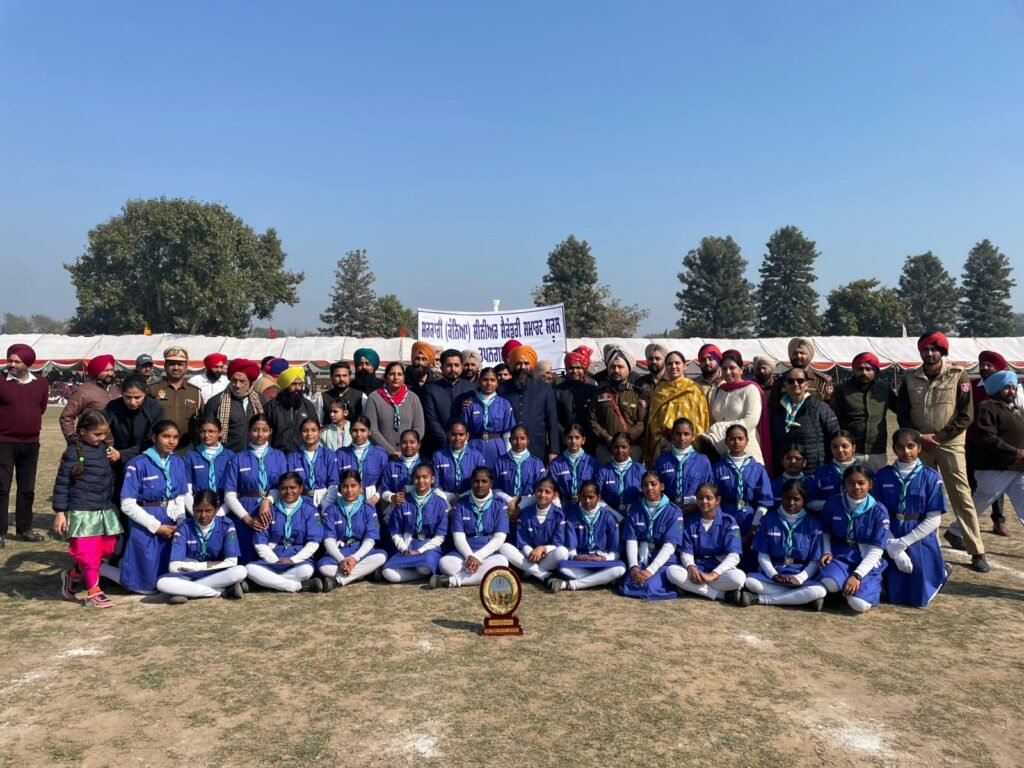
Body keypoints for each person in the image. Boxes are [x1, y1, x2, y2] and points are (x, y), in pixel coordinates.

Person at [896, 330, 989, 573]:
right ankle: (924, 547)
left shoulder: (959, 375)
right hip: (919, 445)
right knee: (921, 498)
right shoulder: (909, 377)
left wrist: (939, 437)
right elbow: (903, 412)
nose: (929, 353)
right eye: (925, 349)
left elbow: (966, 414)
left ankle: (977, 551)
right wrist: (918, 437)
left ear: (942, 351)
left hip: (949, 444)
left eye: (934, 349)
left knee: (961, 497)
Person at [105, 420, 189, 594]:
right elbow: (127, 505)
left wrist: (180, 521)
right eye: (166, 436)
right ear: (154, 437)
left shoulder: (178, 462)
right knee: (145, 588)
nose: (171, 441)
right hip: (145, 524)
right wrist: (156, 527)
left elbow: (181, 496)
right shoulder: (138, 464)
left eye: (175, 437)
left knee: (167, 581)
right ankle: (98, 568)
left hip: (171, 522)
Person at [52, 410, 122, 608]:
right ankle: (93, 592)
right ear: (82, 431)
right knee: (88, 553)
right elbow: (62, 483)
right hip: (82, 511)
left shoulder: (103, 449)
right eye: (97, 434)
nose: (102, 438)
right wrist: (60, 512)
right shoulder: (73, 453)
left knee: (106, 548)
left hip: (103, 509)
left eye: (104, 434)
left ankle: (73, 575)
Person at [872, 429, 950, 607]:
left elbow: (934, 519)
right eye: (900, 447)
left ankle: (939, 571)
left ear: (919, 448)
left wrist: (904, 543)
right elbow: (878, 514)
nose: (906, 452)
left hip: (918, 535)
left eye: (911, 446)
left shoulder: (931, 477)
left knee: (918, 598)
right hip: (889, 532)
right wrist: (893, 546)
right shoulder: (883, 475)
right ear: (894, 448)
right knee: (893, 596)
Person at [740, 478, 827, 610]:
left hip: (800, 573)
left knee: (820, 590)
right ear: (781, 498)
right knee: (750, 582)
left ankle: (761, 599)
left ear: (804, 501)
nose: (791, 503)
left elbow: (814, 561)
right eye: (787, 498)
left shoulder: (813, 524)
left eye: (796, 499)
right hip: (775, 572)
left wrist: (800, 578)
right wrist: (773, 575)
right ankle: (801, 599)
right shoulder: (768, 520)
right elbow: (762, 555)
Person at [818, 465, 889, 613]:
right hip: (840, 555)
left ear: (870, 484)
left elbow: (876, 549)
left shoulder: (878, 510)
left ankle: (868, 586)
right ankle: (842, 588)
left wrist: (857, 575)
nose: (856, 487)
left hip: (865, 557)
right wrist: (826, 551)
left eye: (861, 483)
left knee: (859, 604)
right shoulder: (833, 503)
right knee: (829, 584)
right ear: (844, 484)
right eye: (850, 482)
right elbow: (826, 532)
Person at [156, 490, 248, 603]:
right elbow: (174, 567)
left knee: (241, 571)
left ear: (217, 509)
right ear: (193, 509)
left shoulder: (227, 525)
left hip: (215, 573)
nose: (203, 515)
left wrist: (196, 566)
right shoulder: (184, 527)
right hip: (189, 574)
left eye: (208, 511)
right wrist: (204, 565)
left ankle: (184, 591)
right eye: (198, 511)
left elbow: (232, 562)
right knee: (162, 583)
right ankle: (222, 591)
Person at [967, 351, 1023, 536]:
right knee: (982, 497)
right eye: (1006, 388)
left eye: (1013, 388)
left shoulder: (1013, 406)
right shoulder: (984, 402)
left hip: (1014, 463)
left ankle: (997, 521)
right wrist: (1016, 451)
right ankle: (958, 530)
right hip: (989, 459)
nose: (1011, 391)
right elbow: (987, 436)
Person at [0, 343, 49, 544]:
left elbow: (42, 407)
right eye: (9, 360)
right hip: (3, 442)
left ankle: (24, 529)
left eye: (16, 361)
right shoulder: (1, 381)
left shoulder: (41, 384)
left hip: (30, 442)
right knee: (1, 487)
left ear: (27, 363)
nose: (11, 364)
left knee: (27, 488)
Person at [431, 467, 510, 589]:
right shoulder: (461, 504)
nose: (480, 485)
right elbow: (458, 537)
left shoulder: (500, 504)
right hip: (464, 552)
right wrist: (469, 557)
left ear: (491, 483)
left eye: (484, 481)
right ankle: (481, 575)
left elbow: (499, 537)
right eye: (476, 481)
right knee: (445, 563)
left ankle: (450, 581)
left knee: (502, 562)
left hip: (488, 552)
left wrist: (479, 556)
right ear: (471, 483)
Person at [222, 414, 287, 563]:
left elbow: (282, 487)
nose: (260, 434)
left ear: (270, 431)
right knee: (246, 552)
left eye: (264, 430)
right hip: (245, 510)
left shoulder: (279, 456)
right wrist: (247, 519)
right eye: (255, 430)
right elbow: (229, 495)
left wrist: (267, 501)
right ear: (249, 431)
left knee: (269, 549)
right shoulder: (237, 459)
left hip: (272, 509)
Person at [246, 472, 325, 593]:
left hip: (298, 558)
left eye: (293, 487)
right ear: (279, 490)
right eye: (284, 488)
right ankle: (297, 586)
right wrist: (275, 561)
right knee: (249, 569)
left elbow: (313, 543)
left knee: (307, 570)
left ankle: (262, 584)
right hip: (273, 557)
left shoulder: (309, 510)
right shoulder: (268, 511)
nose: (288, 492)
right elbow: (260, 543)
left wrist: (293, 560)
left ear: (301, 488)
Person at [666, 482, 746, 602]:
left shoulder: (728, 521)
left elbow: (734, 555)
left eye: (709, 498)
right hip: (698, 568)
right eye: (700, 498)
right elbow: (686, 552)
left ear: (717, 500)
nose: (704, 501)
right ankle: (722, 595)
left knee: (739, 578)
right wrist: (691, 567)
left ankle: (691, 588)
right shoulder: (689, 522)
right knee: (672, 572)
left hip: (718, 570)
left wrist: (713, 574)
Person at [550, 480, 627, 592]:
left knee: (620, 568)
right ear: (579, 497)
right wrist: (576, 557)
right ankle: (604, 579)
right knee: (562, 567)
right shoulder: (572, 517)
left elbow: (615, 553)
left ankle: (571, 585)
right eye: (583, 497)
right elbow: (571, 550)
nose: (587, 501)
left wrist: (604, 558)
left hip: (602, 562)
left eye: (591, 497)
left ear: (599, 497)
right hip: (581, 562)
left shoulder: (609, 518)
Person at [712, 424, 773, 563]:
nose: (736, 442)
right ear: (726, 441)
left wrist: (753, 528)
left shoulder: (757, 468)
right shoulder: (717, 468)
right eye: (732, 439)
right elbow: (712, 498)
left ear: (747, 441)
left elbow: (765, 501)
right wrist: (720, 521)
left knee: (749, 557)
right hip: (725, 514)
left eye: (740, 438)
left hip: (749, 516)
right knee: (726, 553)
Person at [619, 471, 684, 600]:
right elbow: (631, 540)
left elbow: (670, 546)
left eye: (653, 484)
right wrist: (634, 567)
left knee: (649, 586)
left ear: (662, 486)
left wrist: (650, 571)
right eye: (645, 485)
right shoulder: (635, 509)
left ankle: (675, 587)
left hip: (663, 560)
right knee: (628, 584)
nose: (649, 488)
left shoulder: (674, 511)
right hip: (643, 557)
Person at [317, 469, 387, 589]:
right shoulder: (332, 509)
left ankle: (339, 580)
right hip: (340, 552)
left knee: (381, 556)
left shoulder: (368, 509)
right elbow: (329, 539)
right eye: (345, 486)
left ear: (361, 487)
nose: (349, 490)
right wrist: (341, 560)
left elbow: (370, 539)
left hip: (360, 551)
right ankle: (362, 573)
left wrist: (355, 558)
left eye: (353, 486)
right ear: (340, 489)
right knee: (323, 567)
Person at [381, 463, 450, 583]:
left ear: (432, 479)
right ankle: (419, 575)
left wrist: (420, 551)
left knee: (424, 568)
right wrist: (403, 549)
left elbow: (440, 536)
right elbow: (395, 531)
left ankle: (422, 573)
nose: (421, 481)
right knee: (387, 572)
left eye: (425, 477)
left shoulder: (440, 503)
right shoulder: (403, 502)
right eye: (417, 477)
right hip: (408, 545)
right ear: (413, 479)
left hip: (429, 547)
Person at [700, 349, 770, 466]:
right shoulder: (718, 391)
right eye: (724, 368)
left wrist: (721, 429)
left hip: (745, 449)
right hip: (720, 452)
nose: (727, 372)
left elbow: (751, 421)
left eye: (732, 368)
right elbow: (712, 420)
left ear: (741, 369)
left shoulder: (750, 389)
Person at [768, 367, 839, 475]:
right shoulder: (777, 410)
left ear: (807, 384)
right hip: (784, 471)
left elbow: (834, 437)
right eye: (791, 381)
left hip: (814, 470)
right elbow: (772, 441)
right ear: (785, 385)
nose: (795, 384)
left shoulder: (820, 408)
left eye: (800, 381)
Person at [833, 352, 897, 471]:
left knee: (877, 486)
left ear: (876, 370)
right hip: (851, 451)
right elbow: (833, 420)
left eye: (868, 369)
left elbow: (901, 410)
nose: (864, 373)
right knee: (852, 487)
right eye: (860, 369)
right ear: (854, 370)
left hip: (877, 450)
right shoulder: (842, 391)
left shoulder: (884, 390)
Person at [644, 350, 708, 466]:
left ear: (685, 366)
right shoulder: (660, 391)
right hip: (665, 447)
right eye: (669, 364)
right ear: (665, 367)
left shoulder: (694, 390)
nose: (673, 366)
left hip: (690, 447)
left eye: (677, 363)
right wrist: (665, 441)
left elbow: (701, 421)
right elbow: (653, 423)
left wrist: (690, 442)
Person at [500, 476, 570, 583]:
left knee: (563, 552)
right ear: (535, 492)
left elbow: (558, 543)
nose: (542, 495)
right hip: (528, 555)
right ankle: (544, 575)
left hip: (546, 556)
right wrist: (531, 554)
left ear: (554, 495)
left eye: (547, 492)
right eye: (539, 491)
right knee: (504, 547)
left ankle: (528, 571)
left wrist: (543, 548)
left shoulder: (559, 515)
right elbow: (522, 542)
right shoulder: (525, 513)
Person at [498, 344, 560, 462]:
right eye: (518, 363)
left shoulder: (544, 388)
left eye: (526, 364)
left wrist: (553, 451)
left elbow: (552, 422)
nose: (522, 367)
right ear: (512, 365)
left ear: (532, 365)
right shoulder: (502, 389)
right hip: (508, 448)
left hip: (537, 448)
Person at [588, 345, 647, 463]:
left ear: (628, 369)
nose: (616, 370)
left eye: (620, 367)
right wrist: (608, 438)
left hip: (632, 450)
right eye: (612, 367)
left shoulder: (637, 394)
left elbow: (642, 422)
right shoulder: (599, 394)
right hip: (606, 450)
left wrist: (625, 440)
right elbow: (592, 420)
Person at [456, 367, 515, 470]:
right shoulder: (470, 404)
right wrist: (464, 452)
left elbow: (507, 433)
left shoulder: (504, 404)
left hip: (496, 447)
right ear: (479, 382)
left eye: (492, 380)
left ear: (497, 383)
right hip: (475, 446)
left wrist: (509, 453)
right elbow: (463, 431)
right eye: (485, 380)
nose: (489, 383)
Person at [104, 373, 164, 473]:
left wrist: (122, 454)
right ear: (122, 393)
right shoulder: (113, 407)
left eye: (137, 397)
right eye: (128, 397)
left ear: (145, 393)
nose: (132, 402)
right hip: (118, 463)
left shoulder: (154, 408)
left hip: (147, 460)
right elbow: (98, 425)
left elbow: (154, 440)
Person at [203, 358, 266, 452]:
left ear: (250, 382)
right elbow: (206, 431)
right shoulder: (216, 402)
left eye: (242, 381)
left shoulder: (260, 400)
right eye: (234, 380)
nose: (237, 385)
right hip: (226, 454)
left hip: (254, 453)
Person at [147, 346, 202, 454]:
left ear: (186, 367)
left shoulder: (195, 393)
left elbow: (201, 421)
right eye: (172, 364)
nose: (176, 367)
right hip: (157, 450)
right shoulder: (152, 389)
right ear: (165, 366)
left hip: (185, 450)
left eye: (180, 364)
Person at [365, 362, 425, 458]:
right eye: (392, 374)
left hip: (409, 454)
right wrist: (391, 451)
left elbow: (419, 428)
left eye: (399, 374)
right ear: (385, 376)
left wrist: (406, 448)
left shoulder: (413, 398)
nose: (396, 377)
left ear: (404, 377)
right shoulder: (374, 398)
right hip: (381, 454)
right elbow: (372, 430)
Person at [653, 418, 715, 512]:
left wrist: (697, 506)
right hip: (668, 511)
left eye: (686, 434)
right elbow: (655, 488)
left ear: (693, 436)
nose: (682, 438)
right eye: (678, 434)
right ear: (672, 435)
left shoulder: (703, 461)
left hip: (695, 511)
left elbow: (710, 489)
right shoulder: (662, 460)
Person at [421, 349, 475, 455]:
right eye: (449, 365)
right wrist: (447, 439)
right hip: (439, 446)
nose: (453, 369)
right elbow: (431, 419)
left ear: (461, 367)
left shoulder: (471, 388)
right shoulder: (431, 389)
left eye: (456, 365)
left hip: (466, 446)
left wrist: (462, 439)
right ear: (442, 368)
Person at [60, 354, 120, 442]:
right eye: (106, 370)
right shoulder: (83, 391)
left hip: (117, 446)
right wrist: (72, 440)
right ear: (96, 371)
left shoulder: (116, 390)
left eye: (112, 370)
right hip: (92, 445)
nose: (110, 373)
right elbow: (66, 417)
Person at [493, 424, 545, 522]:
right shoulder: (500, 462)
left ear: (528, 440)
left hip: (529, 509)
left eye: (522, 438)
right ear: (509, 440)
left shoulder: (537, 464)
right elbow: (495, 489)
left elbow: (540, 491)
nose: (519, 442)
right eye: (515, 438)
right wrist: (510, 501)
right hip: (505, 508)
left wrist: (521, 505)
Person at [183, 416, 235, 513]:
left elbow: (234, 489)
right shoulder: (191, 456)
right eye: (203, 431)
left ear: (220, 432)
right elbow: (186, 490)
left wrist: (221, 513)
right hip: (199, 509)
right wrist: (196, 513)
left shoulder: (230, 456)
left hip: (224, 508)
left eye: (211, 431)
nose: (206, 435)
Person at [287, 419, 339, 511]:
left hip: (324, 500)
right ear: (300, 433)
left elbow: (333, 484)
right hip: (300, 502)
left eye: (313, 430)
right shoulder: (292, 457)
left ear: (320, 432)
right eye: (305, 431)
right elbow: (290, 484)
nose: (309, 434)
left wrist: (326, 505)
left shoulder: (328, 454)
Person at [265, 366, 319, 453]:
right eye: (293, 384)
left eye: (300, 384)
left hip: (301, 455)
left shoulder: (308, 406)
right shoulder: (271, 407)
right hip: (278, 455)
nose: (297, 388)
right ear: (285, 385)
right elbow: (266, 434)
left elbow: (314, 431)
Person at [548, 424, 600, 514]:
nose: (573, 441)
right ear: (564, 440)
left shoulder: (592, 462)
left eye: (577, 437)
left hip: (586, 506)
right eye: (570, 437)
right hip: (563, 506)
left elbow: (597, 487)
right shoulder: (556, 463)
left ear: (583, 440)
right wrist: (557, 506)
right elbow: (551, 487)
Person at [432, 420, 487, 504]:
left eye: (461, 435)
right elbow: (436, 486)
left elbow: (480, 484)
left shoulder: (476, 456)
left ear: (467, 436)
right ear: (448, 435)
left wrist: (460, 498)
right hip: (445, 499)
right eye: (453, 434)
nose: (457, 438)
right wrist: (447, 502)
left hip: (470, 498)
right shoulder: (438, 456)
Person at [336, 416, 388, 504]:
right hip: (346, 502)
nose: (358, 434)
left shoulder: (380, 454)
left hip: (372, 502)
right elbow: (334, 482)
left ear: (369, 432)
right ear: (349, 431)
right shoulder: (340, 454)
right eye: (355, 430)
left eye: (363, 430)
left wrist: (376, 497)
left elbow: (385, 481)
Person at [806, 431, 859, 516]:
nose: (840, 450)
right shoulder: (820, 473)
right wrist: (833, 504)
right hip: (828, 522)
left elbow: (874, 502)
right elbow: (809, 503)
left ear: (853, 447)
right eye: (835, 447)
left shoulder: (865, 473)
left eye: (844, 446)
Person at [554, 346, 598, 449]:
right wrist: (565, 434)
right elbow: (554, 417)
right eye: (571, 368)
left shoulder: (592, 389)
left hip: (588, 441)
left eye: (578, 368)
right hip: (564, 441)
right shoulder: (557, 390)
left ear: (584, 368)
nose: (575, 371)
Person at [769, 337, 834, 405]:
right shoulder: (780, 380)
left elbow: (830, 408)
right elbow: (773, 406)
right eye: (795, 353)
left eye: (802, 353)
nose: (798, 356)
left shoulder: (823, 381)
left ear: (809, 356)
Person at [595, 432, 647, 515]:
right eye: (616, 447)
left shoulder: (640, 470)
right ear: (611, 448)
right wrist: (614, 514)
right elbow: (596, 496)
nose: (619, 450)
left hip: (634, 514)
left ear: (630, 448)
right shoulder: (603, 471)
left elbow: (646, 496)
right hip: (609, 515)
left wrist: (634, 510)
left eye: (624, 447)